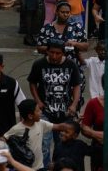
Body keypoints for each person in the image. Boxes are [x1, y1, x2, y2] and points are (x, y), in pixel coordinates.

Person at [27, 38, 81, 166]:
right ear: (47, 51)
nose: (54, 56)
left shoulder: (71, 64)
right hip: (45, 112)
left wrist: (74, 105)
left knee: (63, 145)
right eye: (51, 52)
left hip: (65, 113)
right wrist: (38, 101)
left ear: (63, 53)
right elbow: (32, 82)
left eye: (58, 53)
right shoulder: (39, 64)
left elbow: (77, 85)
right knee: (44, 145)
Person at [4, 99, 69, 171]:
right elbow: (4, 138)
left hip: (39, 167)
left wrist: (72, 125)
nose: (41, 112)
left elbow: (57, 126)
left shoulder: (40, 123)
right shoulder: (17, 129)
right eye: (38, 111)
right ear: (30, 116)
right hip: (24, 168)